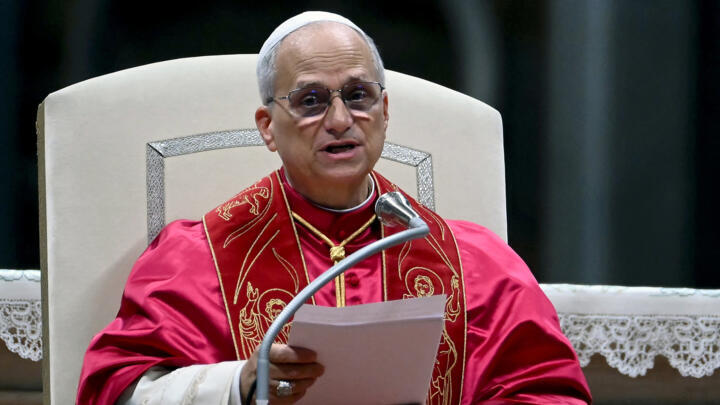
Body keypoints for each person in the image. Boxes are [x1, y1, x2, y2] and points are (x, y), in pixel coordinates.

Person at [77, 11, 592, 405]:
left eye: (358, 94)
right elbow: (115, 389)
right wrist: (239, 382)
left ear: (385, 112)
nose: (341, 119)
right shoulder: (197, 258)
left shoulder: (477, 264)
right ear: (266, 127)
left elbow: (548, 390)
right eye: (310, 101)